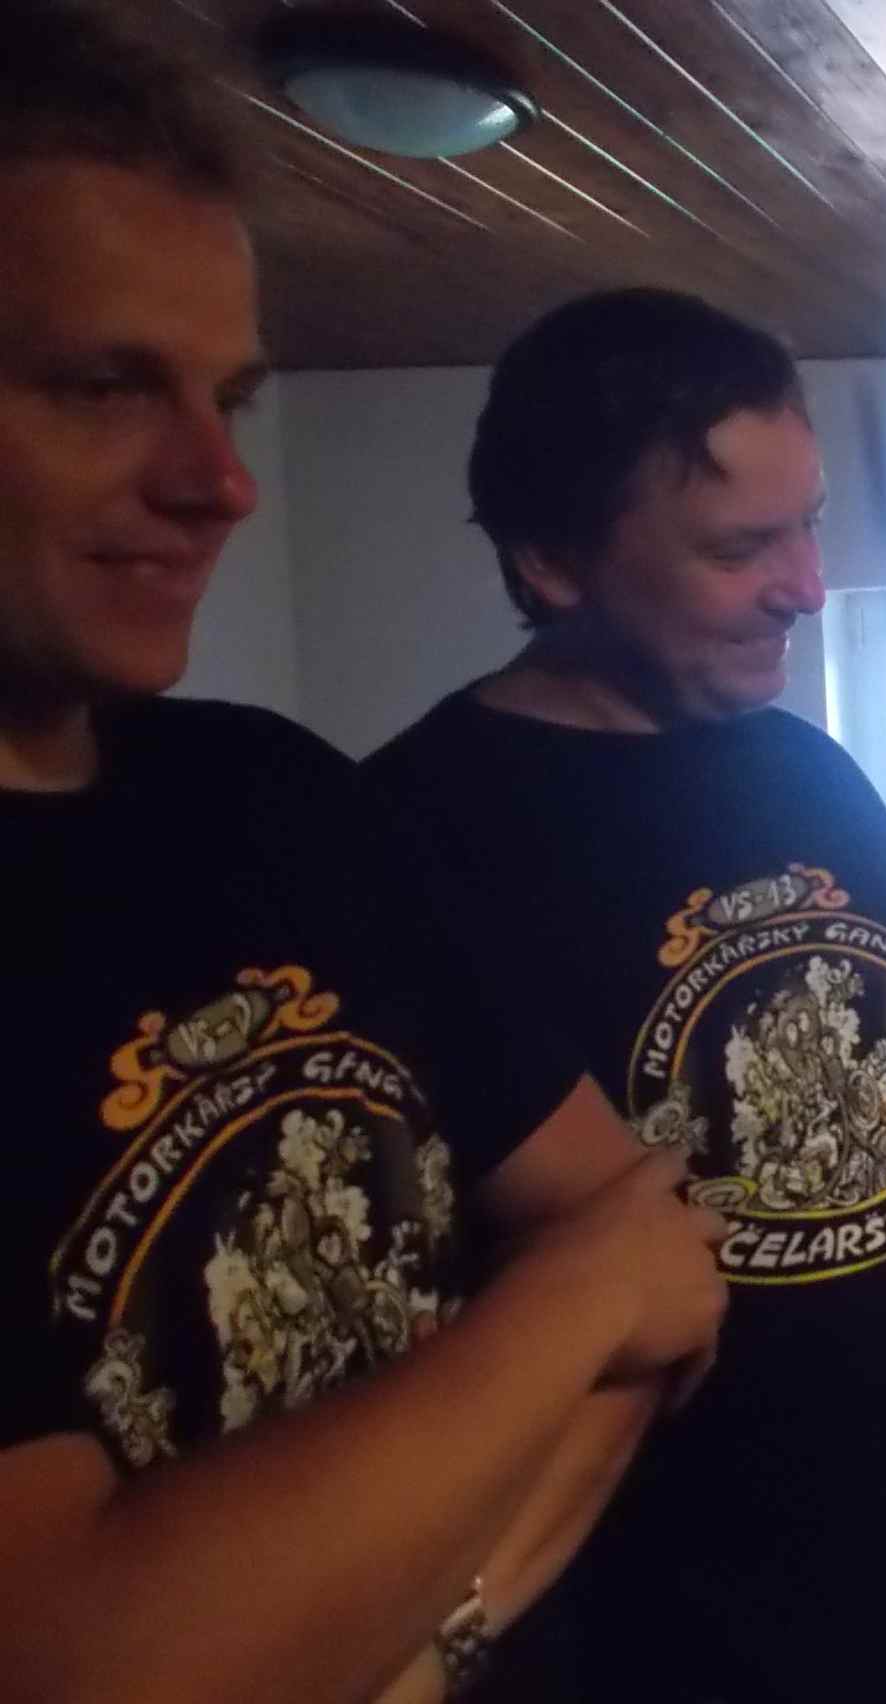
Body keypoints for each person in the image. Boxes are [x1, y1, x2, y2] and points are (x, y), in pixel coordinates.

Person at [0, 10, 730, 1703]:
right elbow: (83, 1653)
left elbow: (669, 1272)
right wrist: (563, 1306)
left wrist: (428, 1636)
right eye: (103, 385)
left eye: (230, 398)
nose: (223, 483)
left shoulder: (272, 796)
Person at [365, 287, 886, 1704]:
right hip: (669, 1653)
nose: (808, 587)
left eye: (810, 525)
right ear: (551, 560)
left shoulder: (810, 771)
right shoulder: (412, 835)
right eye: (741, 547)